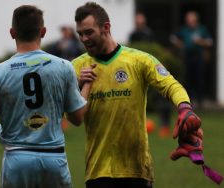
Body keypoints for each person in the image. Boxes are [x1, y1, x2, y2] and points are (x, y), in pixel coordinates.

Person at [72, 2, 203, 188]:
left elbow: (171, 85)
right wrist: (76, 85)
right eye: (80, 34)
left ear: (106, 27)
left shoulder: (139, 60)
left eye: (89, 32)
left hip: (137, 169)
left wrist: (184, 108)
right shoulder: (76, 67)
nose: (84, 39)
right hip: (98, 170)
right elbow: (67, 113)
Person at [0, 5, 93, 188]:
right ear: (43, 32)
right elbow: (77, 118)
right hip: (54, 158)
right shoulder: (63, 67)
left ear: (12, 33)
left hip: (17, 159)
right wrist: (88, 85)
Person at [128, 12, 172, 138]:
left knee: (162, 95)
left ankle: (165, 125)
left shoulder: (149, 35)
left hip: (151, 69)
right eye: (137, 21)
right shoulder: (133, 35)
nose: (139, 23)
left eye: (140, 21)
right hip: (136, 70)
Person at [170, 11, 213, 108]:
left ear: (195, 19)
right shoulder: (184, 29)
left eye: (191, 18)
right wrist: (179, 44)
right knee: (188, 79)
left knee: (199, 79)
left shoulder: (202, 29)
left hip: (198, 57)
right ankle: (188, 101)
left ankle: (200, 102)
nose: (189, 21)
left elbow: (210, 42)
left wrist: (200, 41)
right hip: (187, 57)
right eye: (188, 18)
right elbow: (173, 38)